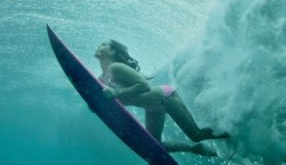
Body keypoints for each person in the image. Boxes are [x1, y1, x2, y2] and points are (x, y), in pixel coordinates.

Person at [94, 39, 227, 156]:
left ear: (112, 51)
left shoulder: (116, 67)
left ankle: (232, 131)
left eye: (103, 44)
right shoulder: (102, 78)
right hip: (152, 107)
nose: (99, 46)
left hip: (164, 97)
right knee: (154, 145)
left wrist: (117, 92)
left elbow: (144, 85)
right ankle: (193, 149)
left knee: (196, 135)